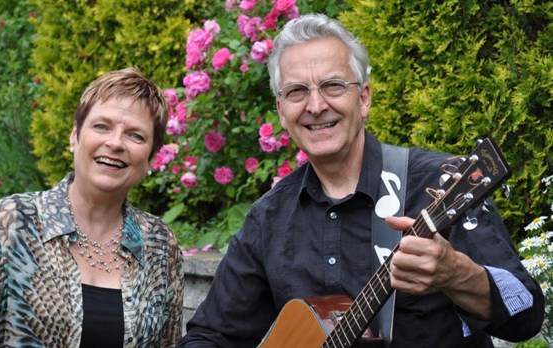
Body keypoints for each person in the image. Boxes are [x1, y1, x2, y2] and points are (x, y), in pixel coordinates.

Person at [177, 13, 544, 348]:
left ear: (364, 98)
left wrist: (457, 275)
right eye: (297, 91)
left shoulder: (439, 182)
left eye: (333, 86)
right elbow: (210, 335)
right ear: (282, 112)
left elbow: (526, 312)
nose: (316, 105)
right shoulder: (268, 218)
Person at [0, 67, 184, 347]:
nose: (115, 143)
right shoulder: (11, 223)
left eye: (135, 136)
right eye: (101, 126)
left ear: (151, 157)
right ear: (74, 135)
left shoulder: (159, 245)